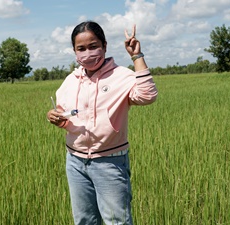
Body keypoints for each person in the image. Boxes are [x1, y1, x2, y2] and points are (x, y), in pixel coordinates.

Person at [46, 21, 158, 225]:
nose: (87, 53)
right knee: (84, 221)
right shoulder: (71, 80)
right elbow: (66, 116)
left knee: (117, 221)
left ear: (104, 46)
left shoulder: (122, 76)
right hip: (75, 162)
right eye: (81, 49)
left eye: (93, 46)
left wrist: (136, 57)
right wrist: (55, 118)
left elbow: (148, 95)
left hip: (110, 161)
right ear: (74, 51)